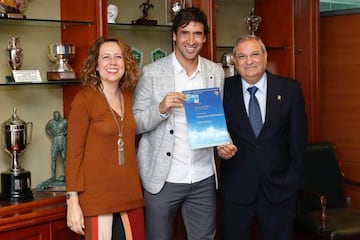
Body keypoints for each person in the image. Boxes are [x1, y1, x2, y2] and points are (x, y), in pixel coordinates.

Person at [133, 7, 237, 240]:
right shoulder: (151, 73)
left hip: (203, 177)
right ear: (174, 35)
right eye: (185, 33)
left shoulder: (214, 71)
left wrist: (225, 143)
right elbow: (136, 123)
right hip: (162, 178)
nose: (191, 40)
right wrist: (160, 108)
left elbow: (215, 117)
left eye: (197, 34)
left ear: (204, 37)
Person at [219, 35, 308, 240]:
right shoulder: (223, 90)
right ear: (235, 61)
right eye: (241, 56)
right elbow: (214, 133)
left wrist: (293, 181)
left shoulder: (290, 90)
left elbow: (299, 141)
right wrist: (219, 147)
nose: (249, 61)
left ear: (265, 57)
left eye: (254, 54)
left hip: (279, 190)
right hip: (236, 189)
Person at [65, 36, 145, 240]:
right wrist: (72, 202)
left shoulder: (127, 95)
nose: (113, 63)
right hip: (96, 198)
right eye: (106, 57)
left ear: (126, 64)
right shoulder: (84, 100)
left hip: (130, 194)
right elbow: (73, 154)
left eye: (118, 57)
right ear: (96, 65)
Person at [45, 110, 67, 180]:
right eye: (55, 116)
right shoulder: (51, 122)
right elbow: (47, 129)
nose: (56, 117)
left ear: (59, 115)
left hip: (62, 140)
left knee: (64, 158)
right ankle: (53, 177)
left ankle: (68, 176)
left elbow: (70, 129)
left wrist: (65, 133)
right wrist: (51, 135)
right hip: (55, 140)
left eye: (57, 116)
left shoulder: (64, 122)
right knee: (53, 158)